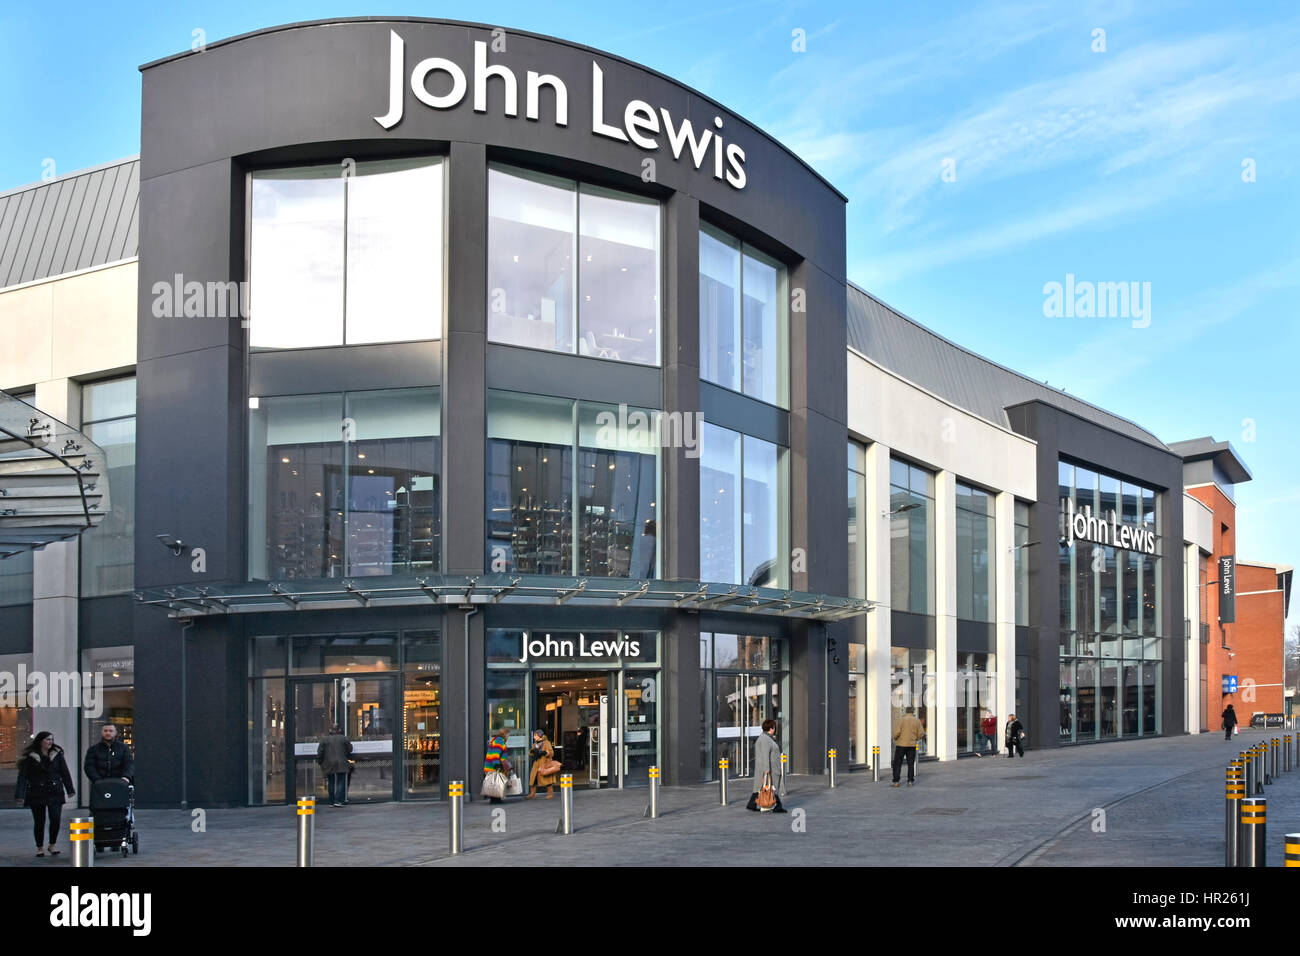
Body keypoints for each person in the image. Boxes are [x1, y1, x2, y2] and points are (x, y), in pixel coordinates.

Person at [14, 732, 76, 857]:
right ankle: (40, 847)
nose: (50, 742)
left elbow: (65, 772)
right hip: (37, 792)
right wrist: (20, 795)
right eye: (47, 739)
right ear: (40, 741)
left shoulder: (57, 755)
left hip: (55, 792)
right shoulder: (30, 757)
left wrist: (70, 789)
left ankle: (52, 845)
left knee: (55, 819)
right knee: (39, 821)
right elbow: (23, 777)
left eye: (52, 739)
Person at [745, 719, 787, 812]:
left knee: (761, 788)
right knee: (772, 787)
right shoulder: (765, 739)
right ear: (771, 728)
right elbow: (765, 755)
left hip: (769, 768)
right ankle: (778, 806)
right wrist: (767, 769)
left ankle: (751, 804)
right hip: (770, 769)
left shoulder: (766, 738)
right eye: (774, 727)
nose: (775, 729)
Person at [316, 724, 353, 807]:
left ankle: (331, 801)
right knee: (341, 782)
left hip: (329, 763)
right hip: (341, 762)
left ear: (330, 731)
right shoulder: (344, 738)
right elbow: (350, 749)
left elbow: (320, 752)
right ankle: (338, 800)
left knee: (331, 782)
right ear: (339, 730)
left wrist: (319, 761)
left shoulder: (324, 739)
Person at [891, 706, 925, 787]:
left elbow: (896, 732)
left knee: (897, 763)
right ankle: (910, 781)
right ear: (913, 712)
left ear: (906, 712)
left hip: (901, 745)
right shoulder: (917, 721)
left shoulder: (901, 720)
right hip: (911, 745)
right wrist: (915, 738)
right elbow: (921, 733)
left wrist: (896, 738)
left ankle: (896, 781)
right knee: (910, 763)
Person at [527, 729, 559, 800]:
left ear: (540, 735)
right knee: (533, 778)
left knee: (547, 779)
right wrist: (532, 752)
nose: (534, 737)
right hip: (536, 763)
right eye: (534, 735)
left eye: (535, 735)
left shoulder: (546, 743)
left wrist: (544, 752)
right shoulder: (535, 744)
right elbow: (530, 752)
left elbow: (551, 753)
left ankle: (550, 793)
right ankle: (532, 793)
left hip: (544, 763)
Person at [483, 726, 512, 804]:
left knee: (495, 783)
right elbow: (495, 754)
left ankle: (495, 800)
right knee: (497, 783)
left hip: (491, 766)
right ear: (505, 734)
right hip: (494, 766)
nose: (509, 736)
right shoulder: (499, 741)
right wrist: (497, 765)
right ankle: (495, 800)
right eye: (508, 734)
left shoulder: (497, 740)